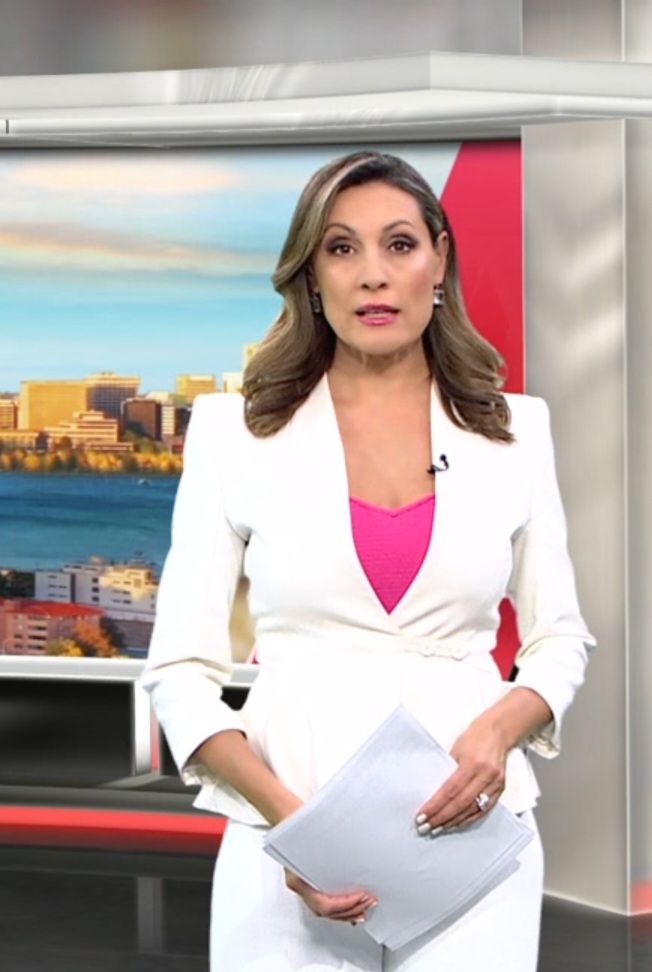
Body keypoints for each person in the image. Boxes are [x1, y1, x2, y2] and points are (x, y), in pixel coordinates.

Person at [139, 150, 597, 971]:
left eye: (400, 244)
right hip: (282, 836)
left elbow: (560, 639)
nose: (373, 275)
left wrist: (499, 729)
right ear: (312, 275)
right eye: (342, 248)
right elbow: (178, 670)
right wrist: (297, 828)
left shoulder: (517, 434)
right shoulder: (233, 434)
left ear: (439, 261)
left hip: (469, 841)